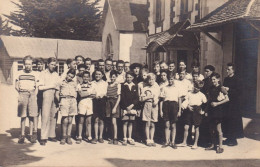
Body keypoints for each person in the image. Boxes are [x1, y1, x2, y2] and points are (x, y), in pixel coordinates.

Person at [15, 55, 40, 144]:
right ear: (24, 64)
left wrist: (34, 94)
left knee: (32, 115)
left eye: (30, 64)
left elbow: (37, 87)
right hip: (22, 94)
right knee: (23, 115)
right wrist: (22, 93)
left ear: (32, 64)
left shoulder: (35, 74)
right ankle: (22, 135)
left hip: (32, 94)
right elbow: (16, 86)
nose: (28, 66)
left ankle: (31, 135)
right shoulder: (19, 73)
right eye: (26, 64)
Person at [205, 73, 229, 154]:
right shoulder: (211, 88)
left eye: (214, 79)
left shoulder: (221, 88)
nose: (213, 81)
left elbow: (227, 99)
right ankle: (213, 145)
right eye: (212, 79)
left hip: (218, 110)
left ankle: (220, 146)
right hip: (211, 110)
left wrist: (217, 103)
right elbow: (209, 100)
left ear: (218, 79)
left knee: (218, 129)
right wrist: (206, 110)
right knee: (211, 129)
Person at [38, 57, 60, 146]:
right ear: (48, 64)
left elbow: (58, 85)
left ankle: (52, 135)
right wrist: (51, 86)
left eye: (55, 65)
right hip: (46, 94)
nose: (53, 66)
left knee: (54, 115)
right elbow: (40, 87)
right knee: (45, 116)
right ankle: (43, 137)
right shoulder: (43, 73)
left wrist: (57, 94)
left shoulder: (56, 74)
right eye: (52, 64)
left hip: (55, 94)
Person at [179, 80, 207, 149]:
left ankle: (195, 143)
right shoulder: (189, 93)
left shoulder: (201, 95)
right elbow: (185, 100)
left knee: (196, 127)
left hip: (197, 111)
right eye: (196, 87)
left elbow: (205, 103)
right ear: (193, 86)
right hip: (189, 110)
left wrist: (202, 111)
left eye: (198, 88)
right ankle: (184, 142)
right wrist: (188, 106)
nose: (197, 89)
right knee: (186, 126)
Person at [222, 63, 244, 146]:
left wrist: (229, 89)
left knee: (233, 121)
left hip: (234, 104)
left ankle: (234, 139)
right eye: (227, 69)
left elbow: (239, 92)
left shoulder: (238, 79)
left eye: (229, 69)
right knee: (227, 120)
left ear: (233, 70)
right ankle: (228, 138)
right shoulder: (226, 79)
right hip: (227, 103)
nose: (227, 71)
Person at [56, 69, 78, 145]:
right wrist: (58, 101)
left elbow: (77, 92)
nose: (69, 78)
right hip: (64, 99)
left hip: (72, 100)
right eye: (69, 75)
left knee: (70, 120)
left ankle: (69, 137)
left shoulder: (74, 83)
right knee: (65, 119)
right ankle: (63, 137)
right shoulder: (61, 82)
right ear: (66, 74)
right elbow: (57, 93)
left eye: (71, 77)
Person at [160, 74, 181, 149]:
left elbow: (179, 100)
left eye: (172, 79)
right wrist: (161, 111)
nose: (170, 81)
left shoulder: (177, 88)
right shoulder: (164, 88)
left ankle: (173, 142)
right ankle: (167, 141)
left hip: (174, 106)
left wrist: (179, 110)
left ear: (174, 79)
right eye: (169, 79)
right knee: (167, 124)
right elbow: (162, 100)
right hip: (166, 105)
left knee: (173, 125)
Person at [76, 71, 96, 144]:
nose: (85, 78)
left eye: (87, 77)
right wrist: (89, 92)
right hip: (82, 103)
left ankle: (89, 136)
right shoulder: (79, 85)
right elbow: (80, 95)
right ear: (82, 77)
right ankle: (80, 136)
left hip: (89, 103)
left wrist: (86, 94)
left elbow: (94, 95)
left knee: (89, 121)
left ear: (89, 77)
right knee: (81, 120)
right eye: (84, 77)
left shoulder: (92, 85)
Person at [141, 73, 160, 147]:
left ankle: (152, 139)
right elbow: (142, 99)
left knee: (153, 123)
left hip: (154, 105)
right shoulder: (145, 88)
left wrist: (156, 101)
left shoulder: (157, 87)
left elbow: (158, 97)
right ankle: (147, 139)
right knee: (147, 123)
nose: (151, 81)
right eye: (149, 79)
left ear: (155, 80)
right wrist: (147, 97)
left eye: (152, 79)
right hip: (147, 104)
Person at [120, 71, 139, 145]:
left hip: (132, 107)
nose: (129, 78)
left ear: (133, 78)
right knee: (125, 122)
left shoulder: (135, 86)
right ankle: (124, 138)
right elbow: (122, 97)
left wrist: (132, 105)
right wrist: (126, 106)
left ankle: (129, 138)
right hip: (125, 107)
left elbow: (136, 98)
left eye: (130, 77)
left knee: (131, 122)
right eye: (127, 77)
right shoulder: (123, 86)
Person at [91, 69, 108, 144]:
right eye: (96, 74)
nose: (97, 76)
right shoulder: (92, 83)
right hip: (94, 101)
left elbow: (106, 93)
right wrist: (95, 96)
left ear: (102, 75)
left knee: (101, 119)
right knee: (95, 119)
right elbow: (91, 92)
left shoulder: (105, 83)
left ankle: (101, 136)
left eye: (99, 74)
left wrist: (102, 95)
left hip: (102, 101)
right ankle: (95, 136)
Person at [106, 70, 121, 145]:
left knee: (113, 121)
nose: (112, 78)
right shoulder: (107, 84)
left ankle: (115, 138)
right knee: (109, 121)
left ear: (116, 77)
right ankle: (111, 137)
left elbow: (119, 97)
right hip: (108, 103)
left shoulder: (118, 85)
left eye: (114, 77)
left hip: (115, 103)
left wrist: (115, 107)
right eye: (111, 77)